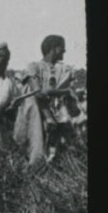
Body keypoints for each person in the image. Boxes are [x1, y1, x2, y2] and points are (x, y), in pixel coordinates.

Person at [12, 35, 83, 164]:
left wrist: (54, 92)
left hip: (61, 114)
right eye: (62, 47)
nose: (64, 50)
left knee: (64, 152)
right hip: (39, 113)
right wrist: (62, 92)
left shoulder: (65, 70)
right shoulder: (33, 67)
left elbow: (69, 93)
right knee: (38, 151)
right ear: (53, 48)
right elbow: (38, 93)